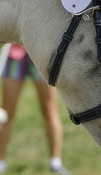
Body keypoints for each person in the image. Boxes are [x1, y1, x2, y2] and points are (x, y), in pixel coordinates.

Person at [0, 44, 68, 174]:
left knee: (49, 109)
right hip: (13, 54)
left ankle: (55, 162)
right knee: (7, 112)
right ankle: (0, 161)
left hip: (40, 51)